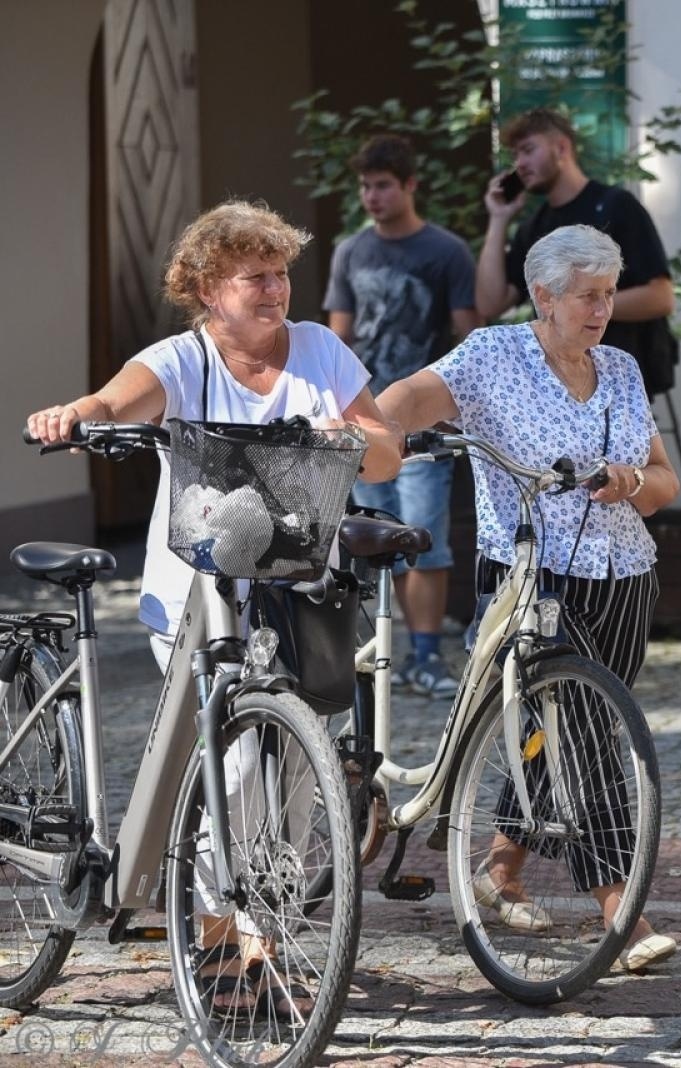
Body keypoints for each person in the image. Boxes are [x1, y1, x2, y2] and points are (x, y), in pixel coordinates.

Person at [27, 199, 402, 1014]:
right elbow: (115, 401)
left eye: (282, 273)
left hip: (301, 584)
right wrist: (78, 417)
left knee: (301, 767)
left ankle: (268, 923)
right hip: (196, 590)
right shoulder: (181, 358)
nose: (275, 290)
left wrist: (353, 434)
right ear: (205, 286)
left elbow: (384, 449)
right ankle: (218, 933)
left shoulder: (321, 350)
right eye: (255, 276)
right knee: (233, 767)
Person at [378, 223, 681, 973]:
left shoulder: (620, 369)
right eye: (587, 295)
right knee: (583, 736)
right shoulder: (493, 355)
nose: (602, 309)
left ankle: (500, 868)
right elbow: (412, 399)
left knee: (554, 730)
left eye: (609, 294)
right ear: (542, 295)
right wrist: (366, 433)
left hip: (623, 578)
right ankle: (623, 910)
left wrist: (632, 482)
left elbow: (662, 483)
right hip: (531, 578)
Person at [324, 133, 480, 698]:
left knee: (426, 537)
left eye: (383, 185)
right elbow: (337, 337)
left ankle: (426, 655)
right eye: (365, 186)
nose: (372, 196)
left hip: (423, 423)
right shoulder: (350, 251)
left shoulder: (445, 251)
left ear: (410, 185)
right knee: (371, 536)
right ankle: (381, 655)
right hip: (363, 420)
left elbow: (468, 336)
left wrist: (460, 409)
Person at [475, 107, 677, 396]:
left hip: (618, 385)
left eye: (528, 150)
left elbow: (661, 297)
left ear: (561, 147)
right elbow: (490, 304)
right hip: (554, 388)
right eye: (516, 155)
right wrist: (497, 219)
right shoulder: (535, 226)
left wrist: (584, 305)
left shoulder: (616, 206)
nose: (519, 163)